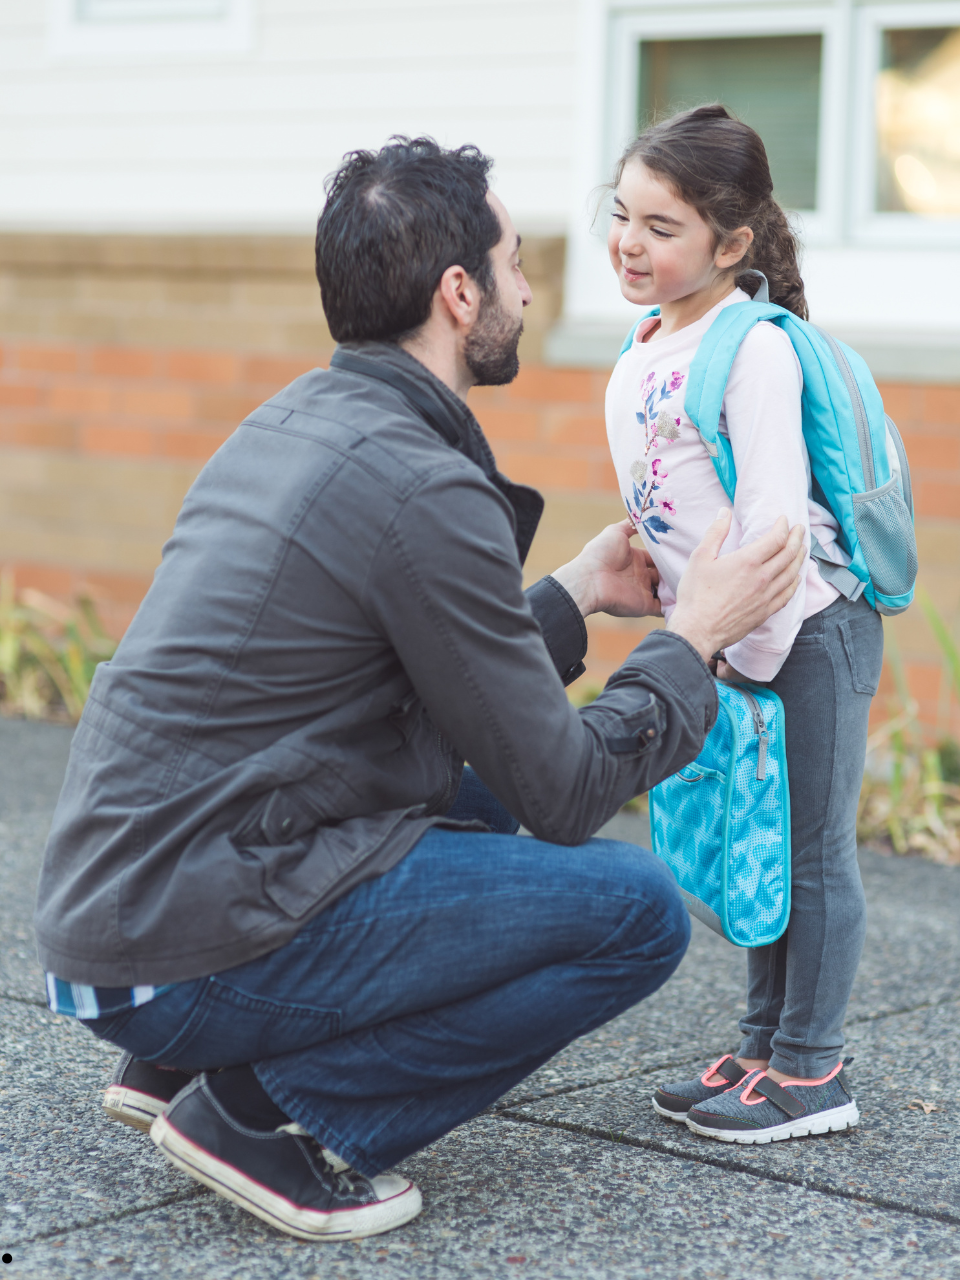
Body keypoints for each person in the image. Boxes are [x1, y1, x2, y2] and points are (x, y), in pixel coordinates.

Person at [35, 137, 805, 1243]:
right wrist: (693, 636)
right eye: (517, 262)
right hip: (179, 941)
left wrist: (578, 591)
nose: (530, 289)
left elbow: (414, 682)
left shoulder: (296, 421)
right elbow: (568, 789)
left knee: (474, 799)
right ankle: (266, 1112)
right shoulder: (422, 481)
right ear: (460, 293)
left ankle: (177, 1064)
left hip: (127, 911)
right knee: (632, 913)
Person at [604, 105, 884, 1143]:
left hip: (803, 631)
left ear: (731, 245)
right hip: (728, 641)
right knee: (755, 843)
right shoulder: (647, 343)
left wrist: (727, 652)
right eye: (622, 214)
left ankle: (813, 1067)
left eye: (661, 226)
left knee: (809, 852)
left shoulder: (753, 348)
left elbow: (775, 528)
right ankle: (762, 1044)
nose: (630, 242)